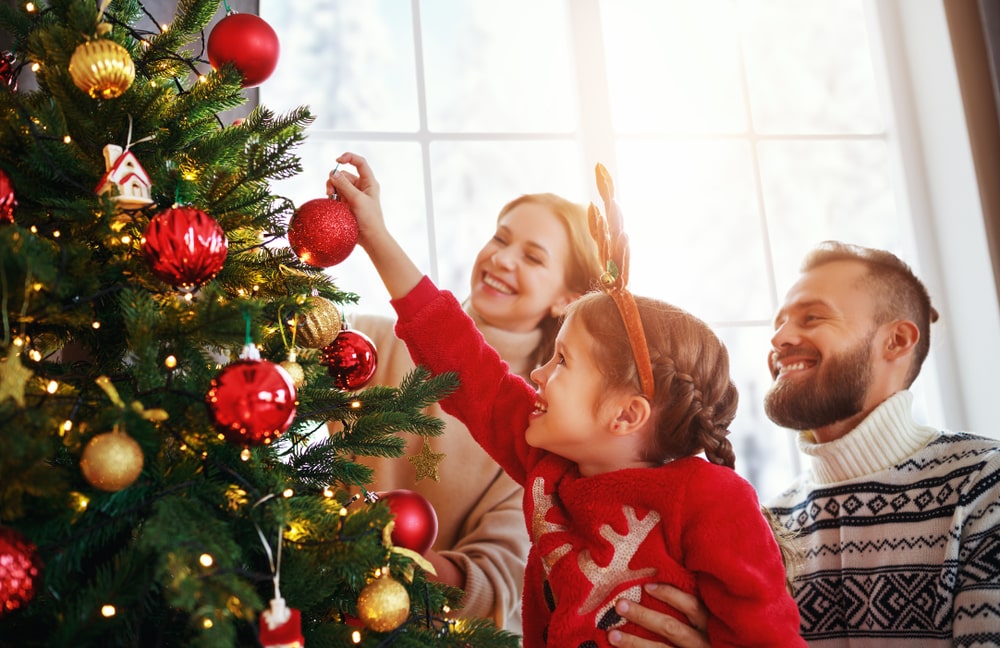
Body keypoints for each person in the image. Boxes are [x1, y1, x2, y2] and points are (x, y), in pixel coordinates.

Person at [329, 151, 804, 647]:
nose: (537, 373)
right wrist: (376, 237)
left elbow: (768, 636)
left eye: (562, 363)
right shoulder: (546, 464)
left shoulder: (712, 501)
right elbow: (464, 363)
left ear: (625, 415)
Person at [607, 241, 1000, 647]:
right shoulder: (768, 526)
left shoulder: (987, 487)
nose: (778, 339)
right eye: (779, 323)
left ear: (897, 340)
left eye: (812, 317)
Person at [325, 181, 604, 632]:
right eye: (500, 237)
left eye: (533, 257)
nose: (502, 258)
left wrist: (390, 557)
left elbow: (496, 584)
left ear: (566, 300)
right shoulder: (369, 343)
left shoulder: (542, 426)